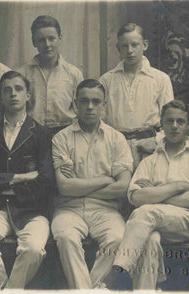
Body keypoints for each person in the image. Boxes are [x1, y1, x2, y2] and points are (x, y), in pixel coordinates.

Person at [112, 100, 189, 289]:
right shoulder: (150, 161)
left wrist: (155, 192)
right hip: (150, 225)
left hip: (186, 222)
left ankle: (119, 271)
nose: (174, 126)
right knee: (150, 240)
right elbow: (135, 197)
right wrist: (176, 187)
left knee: (146, 212)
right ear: (162, 124)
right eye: (169, 121)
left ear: (188, 125)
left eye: (180, 121)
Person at [0, 71, 54, 289]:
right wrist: (22, 177)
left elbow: (46, 181)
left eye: (18, 89)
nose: (13, 94)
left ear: (28, 95)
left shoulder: (43, 134)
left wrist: (2, 184)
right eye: (7, 90)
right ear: (0, 97)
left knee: (34, 249)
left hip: (32, 211)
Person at [51, 79, 133, 289]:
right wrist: (106, 180)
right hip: (69, 209)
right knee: (66, 237)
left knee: (118, 237)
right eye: (84, 101)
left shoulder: (117, 139)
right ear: (75, 103)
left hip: (106, 211)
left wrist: (81, 187)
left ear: (104, 105)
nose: (90, 107)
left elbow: (123, 188)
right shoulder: (61, 139)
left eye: (96, 102)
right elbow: (65, 188)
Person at [99, 23, 174, 168]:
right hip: (116, 148)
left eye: (134, 45)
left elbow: (169, 119)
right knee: (120, 188)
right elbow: (101, 120)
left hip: (150, 147)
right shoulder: (106, 80)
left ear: (144, 45)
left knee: (147, 187)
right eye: (124, 46)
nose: (130, 51)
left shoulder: (160, 79)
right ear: (118, 48)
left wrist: (157, 142)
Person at [18, 15, 83, 133]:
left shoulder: (73, 74)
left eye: (51, 38)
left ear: (60, 38)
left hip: (66, 133)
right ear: (34, 42)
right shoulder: (23, 74)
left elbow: (80, 110)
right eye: (41, 40)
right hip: (32, 134)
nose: (47, 44)